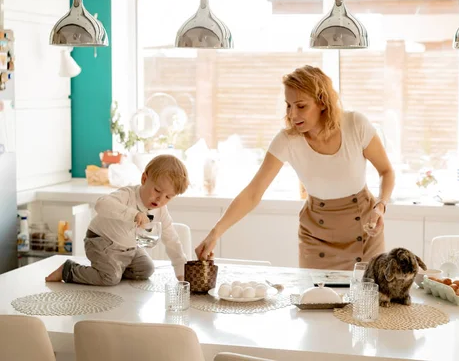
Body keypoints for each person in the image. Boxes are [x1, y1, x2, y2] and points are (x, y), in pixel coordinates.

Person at [195, 65, 395, 270]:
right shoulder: (287, 140)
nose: (292, 114)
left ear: (322, 103)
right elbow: (253, 192)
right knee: (316, 300)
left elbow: (386, 171)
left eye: (301, 106)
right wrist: (215, 233)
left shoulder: (355, 124)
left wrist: (380, 206)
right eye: (288, 106)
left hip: (365, 229)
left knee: (369, 298)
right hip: (316, 236)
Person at [45, 155, 190, 285]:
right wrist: (133, 214)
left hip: (128, 248)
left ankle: (115, 269)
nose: (160, 199)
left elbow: (171, 239)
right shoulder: (127, 195)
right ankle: (68, 270)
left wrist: (180, 269)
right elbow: (101, 204)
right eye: (157, 191)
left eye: (168, 197)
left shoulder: (161, 210)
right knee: (109, 278)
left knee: (147, 269)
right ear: (144, 179)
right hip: (102, 242)